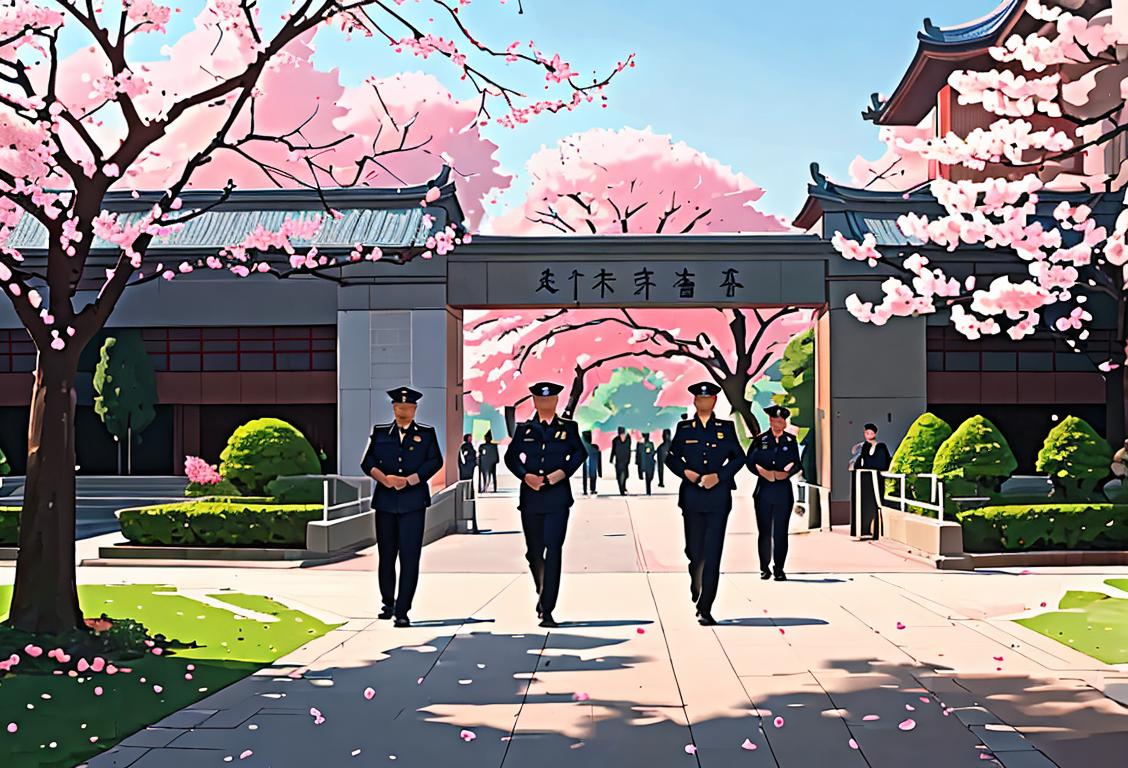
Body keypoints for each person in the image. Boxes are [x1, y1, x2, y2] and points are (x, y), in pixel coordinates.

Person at [360, 386, 443, 628]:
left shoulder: (426, 434)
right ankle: (388, 602)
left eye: (407, 407)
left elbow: (435, 461)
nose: (402, 411)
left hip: (413, 503)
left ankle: (403, 609)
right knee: (386, 555)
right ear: (393, 408)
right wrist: (384, 479)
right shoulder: (380, 432)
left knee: (409, 557)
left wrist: (411, 479)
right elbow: (367, 461)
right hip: (386, 502)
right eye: (398, 407)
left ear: (414, 409)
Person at [504, 381, 585, 628]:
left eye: (550, 400)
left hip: (557, 497)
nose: (546, 404)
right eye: (541, 400)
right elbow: (510, 457)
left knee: (554, 550)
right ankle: (542, 588)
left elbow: (580, 453)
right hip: (531, 497)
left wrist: (562, 473)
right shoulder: (524, 429)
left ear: (556, 402)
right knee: (534, 552)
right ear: (535, 403)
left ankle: (547, 607)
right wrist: (524, 475)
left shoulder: (568, 428)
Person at [664, 382, 744, 625]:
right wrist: (686, 472)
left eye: (708, 398)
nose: (704, 402)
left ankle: (705, 607)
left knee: (712, 553)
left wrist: (720, 475)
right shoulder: (685, 428)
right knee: (695, 551)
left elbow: (739, 457)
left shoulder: (726, 428)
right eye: (700, 398)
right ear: (695, 402)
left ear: (715, 402)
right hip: (692, 496)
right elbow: (670, 457)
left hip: (718, 497)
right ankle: (695, 577)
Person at [747, 405, 801, 582]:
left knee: (780, 532)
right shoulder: (760, 440)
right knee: (764, 532)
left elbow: (797, 463)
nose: (782, 423)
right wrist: (762, 471)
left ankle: (779, 568)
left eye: (784, 420)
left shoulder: (791, 440)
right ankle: (764, 567)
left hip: (783, 491)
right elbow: (750, 461)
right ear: (770, 421)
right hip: (764, 490)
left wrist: (786, 473)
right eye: (778, 420)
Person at [850, 422, 892, 538]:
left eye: (871, 433)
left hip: (876, 480)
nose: (868, 435)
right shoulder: (864, 447)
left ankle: (875, 530)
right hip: (864, 481)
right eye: (866, 433)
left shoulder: (881, 447)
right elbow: (860, 461)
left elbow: (882, 463)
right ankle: (862, 529)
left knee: (875, 504)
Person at [610, 426, 632, 495]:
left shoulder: (627, 439)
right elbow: (613, 450)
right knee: (621, 476)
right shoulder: (617, 440)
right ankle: (622, 490)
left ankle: (623, 488)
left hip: (624, 461)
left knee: (624, 476)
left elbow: (629, 449)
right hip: (620, 460)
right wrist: (611, 459)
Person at [581, 429, 602, 495]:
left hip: (588, 448)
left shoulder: (583, 437)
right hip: (592, 449)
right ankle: (592, 489)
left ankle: (586, 490)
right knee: (593, 470)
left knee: (586, 471)